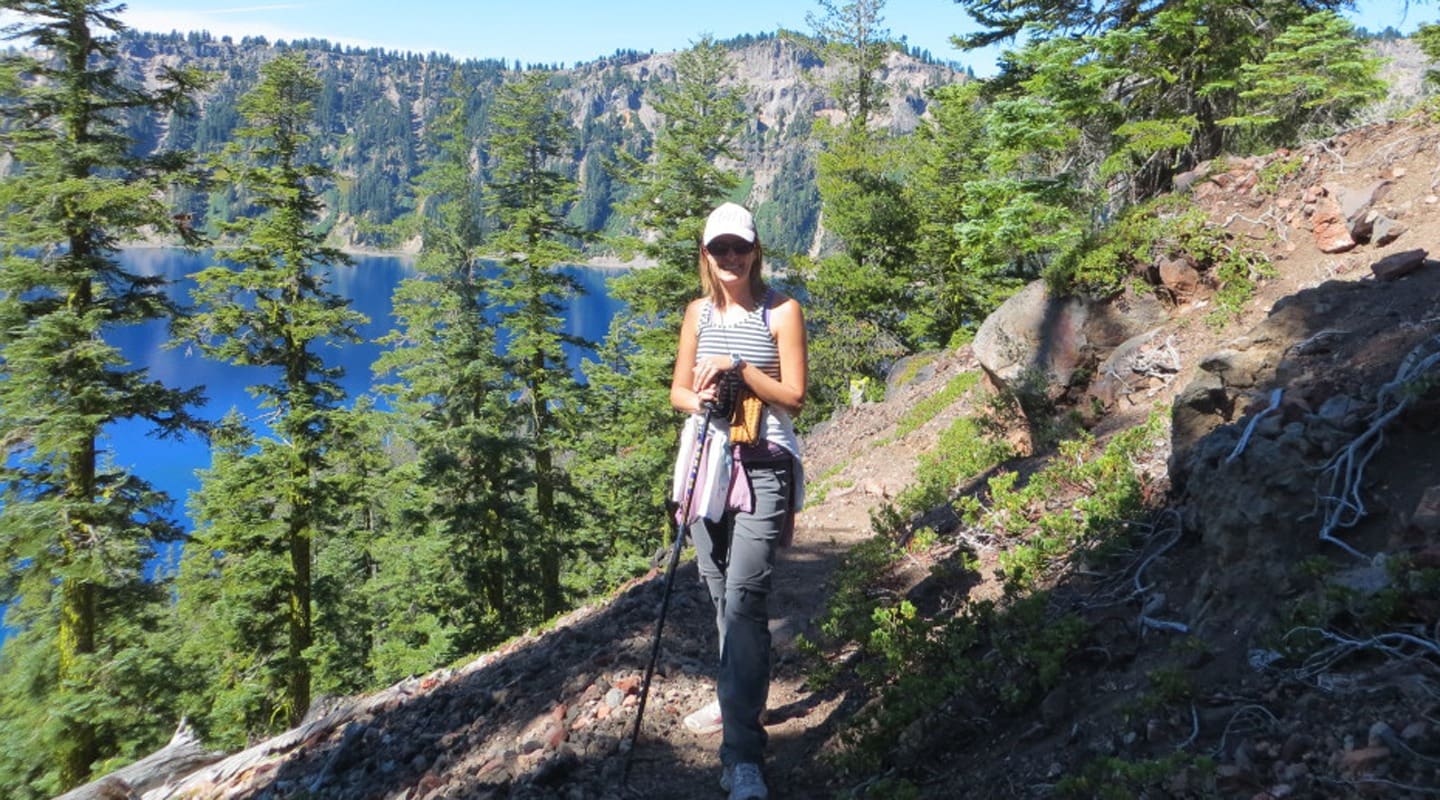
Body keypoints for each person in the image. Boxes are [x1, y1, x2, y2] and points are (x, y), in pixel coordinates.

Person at [669, 202, 807, 800]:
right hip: (704, 462)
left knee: (747, 596)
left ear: (756, 251)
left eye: (739, 248)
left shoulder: (782, 310)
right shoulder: (697, 313)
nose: (730, 258)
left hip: (763, 460)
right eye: (719, 249)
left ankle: (742, 756)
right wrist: (698, 398)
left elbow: (795, 395)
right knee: (720, 589)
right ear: (706, 255)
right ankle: (736, 698)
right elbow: (677, 388)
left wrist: (740, 369)